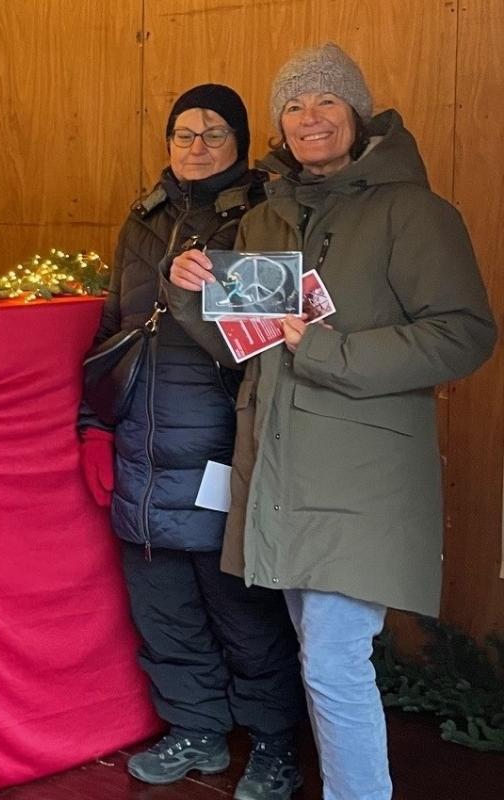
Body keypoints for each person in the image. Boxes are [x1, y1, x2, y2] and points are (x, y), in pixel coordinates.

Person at [167, 44, 497, 800]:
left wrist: (332, 352)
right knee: (320, 652)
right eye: (294, 105)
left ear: (357, 114)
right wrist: (189, 292)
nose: (310, 118)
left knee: (333, 658)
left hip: (361, 474)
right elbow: (245, 344)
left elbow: (464, 333)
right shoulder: (268, 215)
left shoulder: (414, 211)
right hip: (280, 462)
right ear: (280, 125)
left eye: (326, 102)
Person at [79, 84, 307, 800]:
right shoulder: (143, 219)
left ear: (240, 142)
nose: (196, 146)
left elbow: (270, 345)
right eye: (183, 133)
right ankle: (196, 728)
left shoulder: (267, 216)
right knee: (164, 608)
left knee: (245, 612)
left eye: (213, 133)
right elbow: (115, 325)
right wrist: (93, 425)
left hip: (223, 445)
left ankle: (274, 742)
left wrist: (196, 296)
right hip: (143, 444)